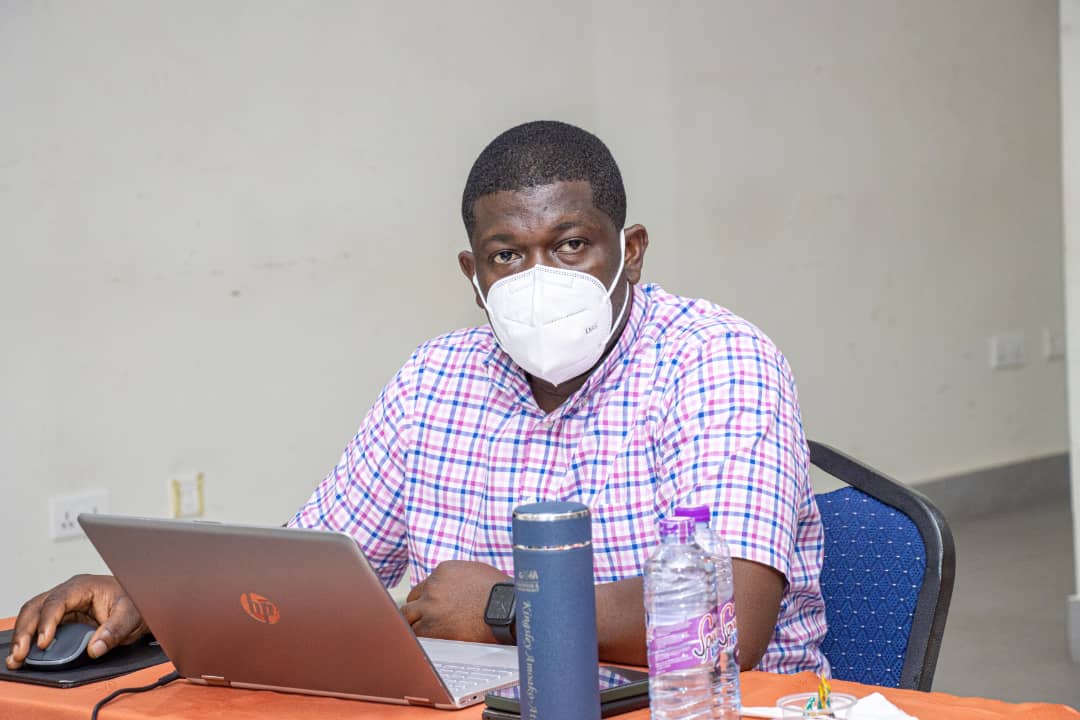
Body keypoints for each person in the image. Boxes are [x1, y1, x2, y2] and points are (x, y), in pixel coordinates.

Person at [7, 121, 827, 675]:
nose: (539, 278)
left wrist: (507, 607)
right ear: (473, 274)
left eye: (572, 244)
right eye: (507, 255)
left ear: (631, 251)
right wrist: (152, 599)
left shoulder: (716, 359)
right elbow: (307, 578)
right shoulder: (434, 381)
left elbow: (727, 625)